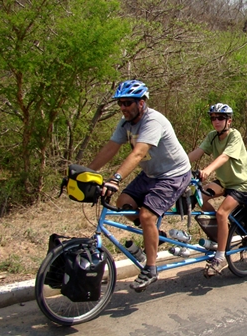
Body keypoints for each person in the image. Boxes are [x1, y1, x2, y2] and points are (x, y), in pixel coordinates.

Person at [88, 80, 191, 292]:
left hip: (173, 175)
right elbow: (110, 148)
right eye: (120, 104)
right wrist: (86, 172)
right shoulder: (125, 122)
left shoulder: (153, 121)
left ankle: (151, 268)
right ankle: (157, 234)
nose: (123, 108)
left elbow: (138, 153)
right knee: (124, 203)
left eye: (127, 103)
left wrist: (115, 179)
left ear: (141, 103)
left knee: (146, 216)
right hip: (150, 174)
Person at [188, 103, 247, 278]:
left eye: (220, 118)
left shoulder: (235, 136)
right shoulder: (212, 136)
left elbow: (224, 157)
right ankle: (221, 233)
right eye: (213, 118)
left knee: (221, 213)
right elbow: (198, 152)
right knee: (198, 197)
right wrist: (178, 166)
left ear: (229, 121)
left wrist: (207, 170)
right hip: (224, 181)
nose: (216, 121)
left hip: (241, 184)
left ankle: (220, 256)